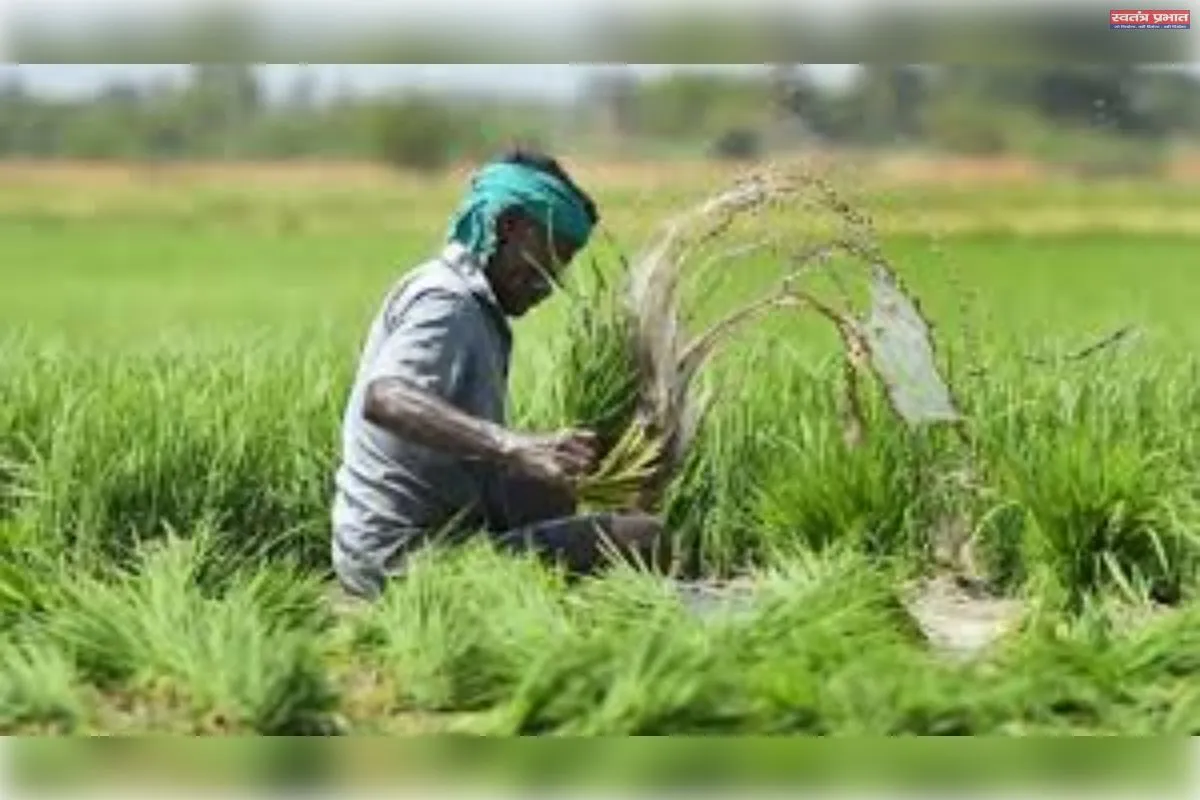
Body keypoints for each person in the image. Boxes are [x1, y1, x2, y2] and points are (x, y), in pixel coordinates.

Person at [331, 149, 666, 601]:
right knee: (646, 537)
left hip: (374, 546)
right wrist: (514, 446)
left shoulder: (464, 299)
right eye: (552, 257)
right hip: (402, 559)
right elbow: (386, 397)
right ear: (508, 227)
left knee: (555, 495)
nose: (552, 281)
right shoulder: (448, 302)